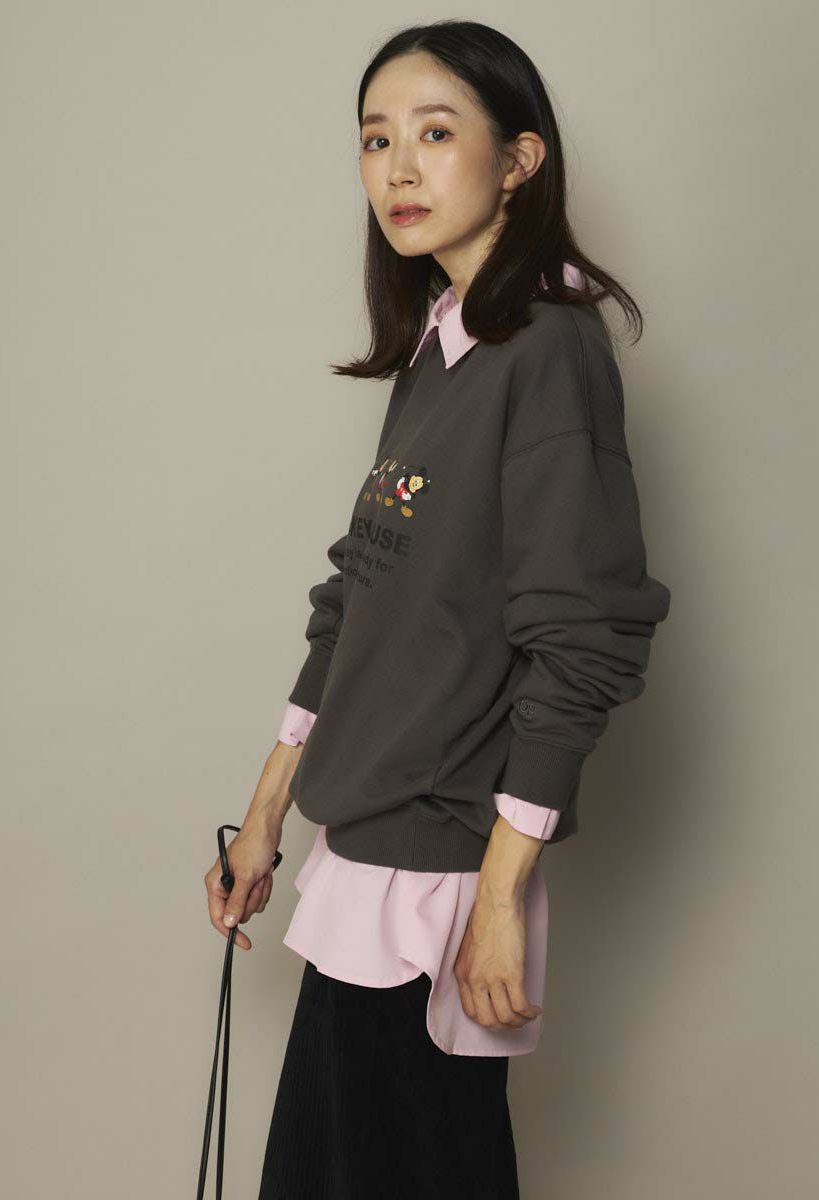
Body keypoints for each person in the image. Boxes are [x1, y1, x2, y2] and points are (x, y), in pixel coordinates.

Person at [202, 19, 672, 1198]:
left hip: (435, 874)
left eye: (435, 132)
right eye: (375, 140)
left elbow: (585, 635)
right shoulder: (441, 345)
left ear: (518, 160)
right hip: (363, 845)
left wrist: (500, 898)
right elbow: (358, 594)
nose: (397, 168)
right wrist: (265, 816)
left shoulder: (546, 351)